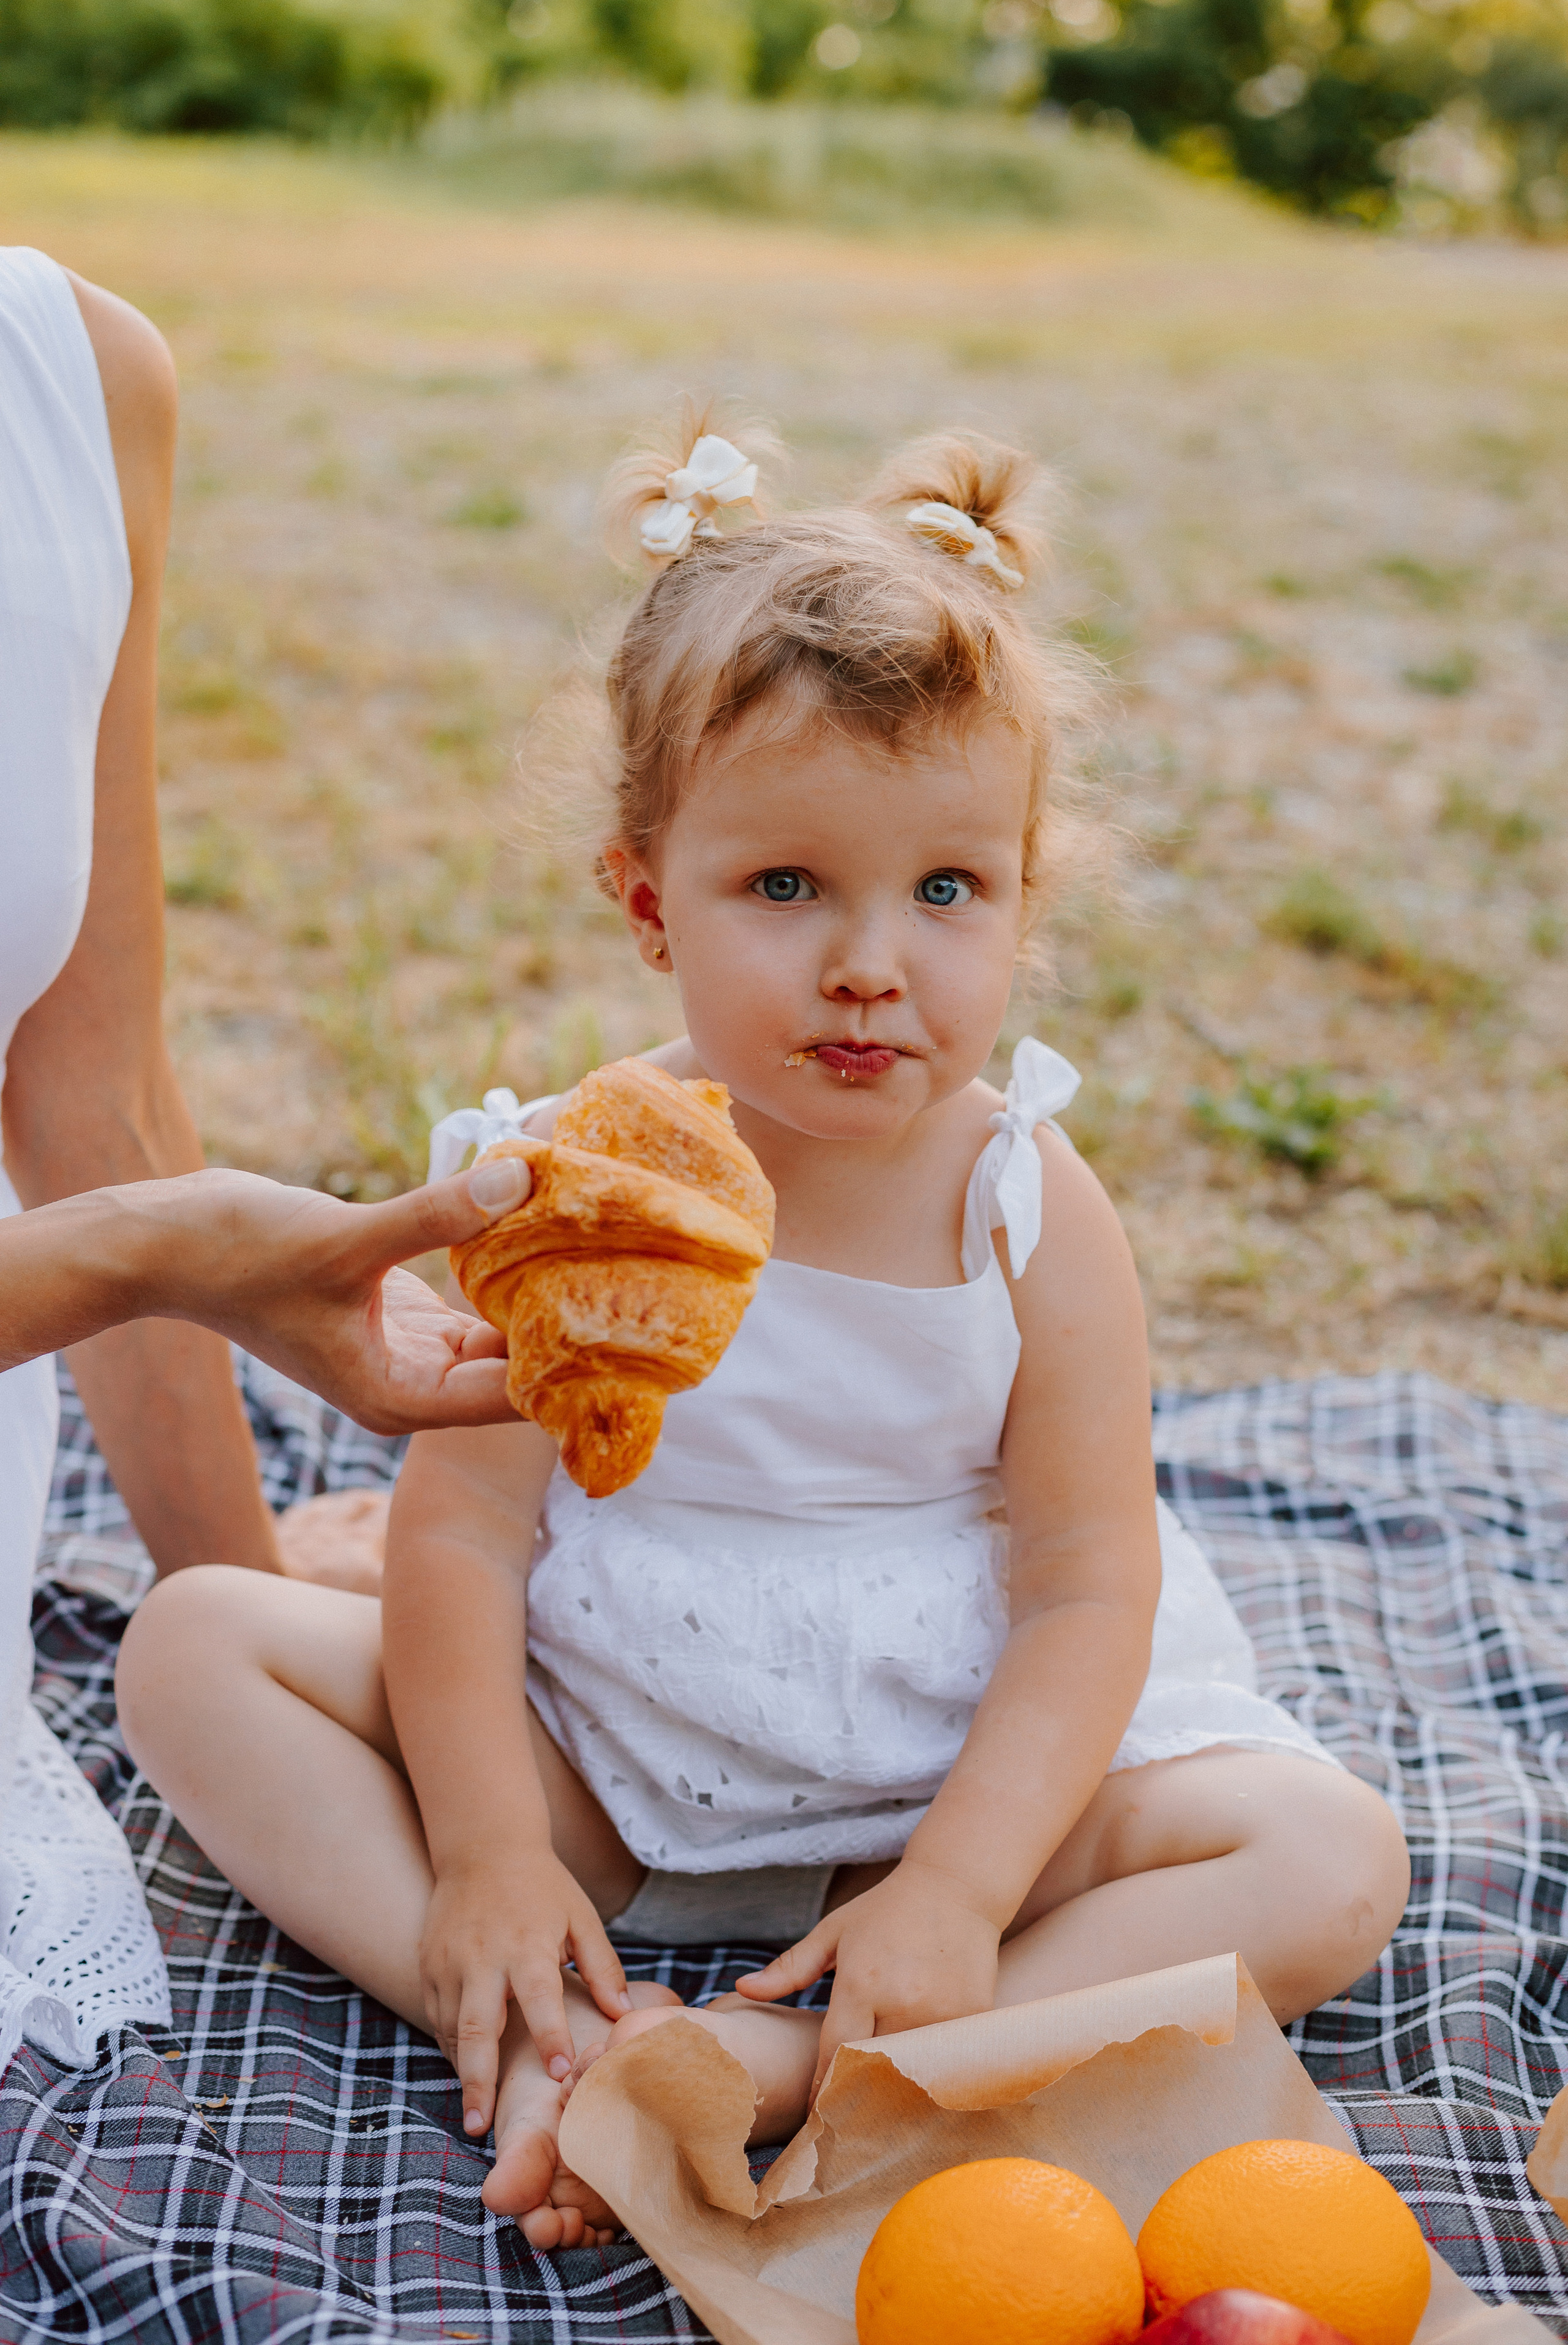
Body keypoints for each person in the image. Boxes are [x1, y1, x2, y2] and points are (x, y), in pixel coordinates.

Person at [117, 413, 1411, 2251]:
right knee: (191, 1643)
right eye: (787, 886)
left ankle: (806, 2059)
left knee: (1331, 1854)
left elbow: (1084, 1586)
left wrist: (959, 1888)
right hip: (627, 1760)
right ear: (649, 898)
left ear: (1025, 899)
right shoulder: (574, 1179)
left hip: (950, 1791)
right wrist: (488, 1850)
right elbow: (469, 1534)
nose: (872, 962)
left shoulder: (1031, 1210)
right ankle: (548, 2020)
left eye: (945, 888)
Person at [0, 243, 526, 2079]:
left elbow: (93, 1094)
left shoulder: (74, 380)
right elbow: (133, 1214)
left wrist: (242, 1602)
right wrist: (170, 1240)